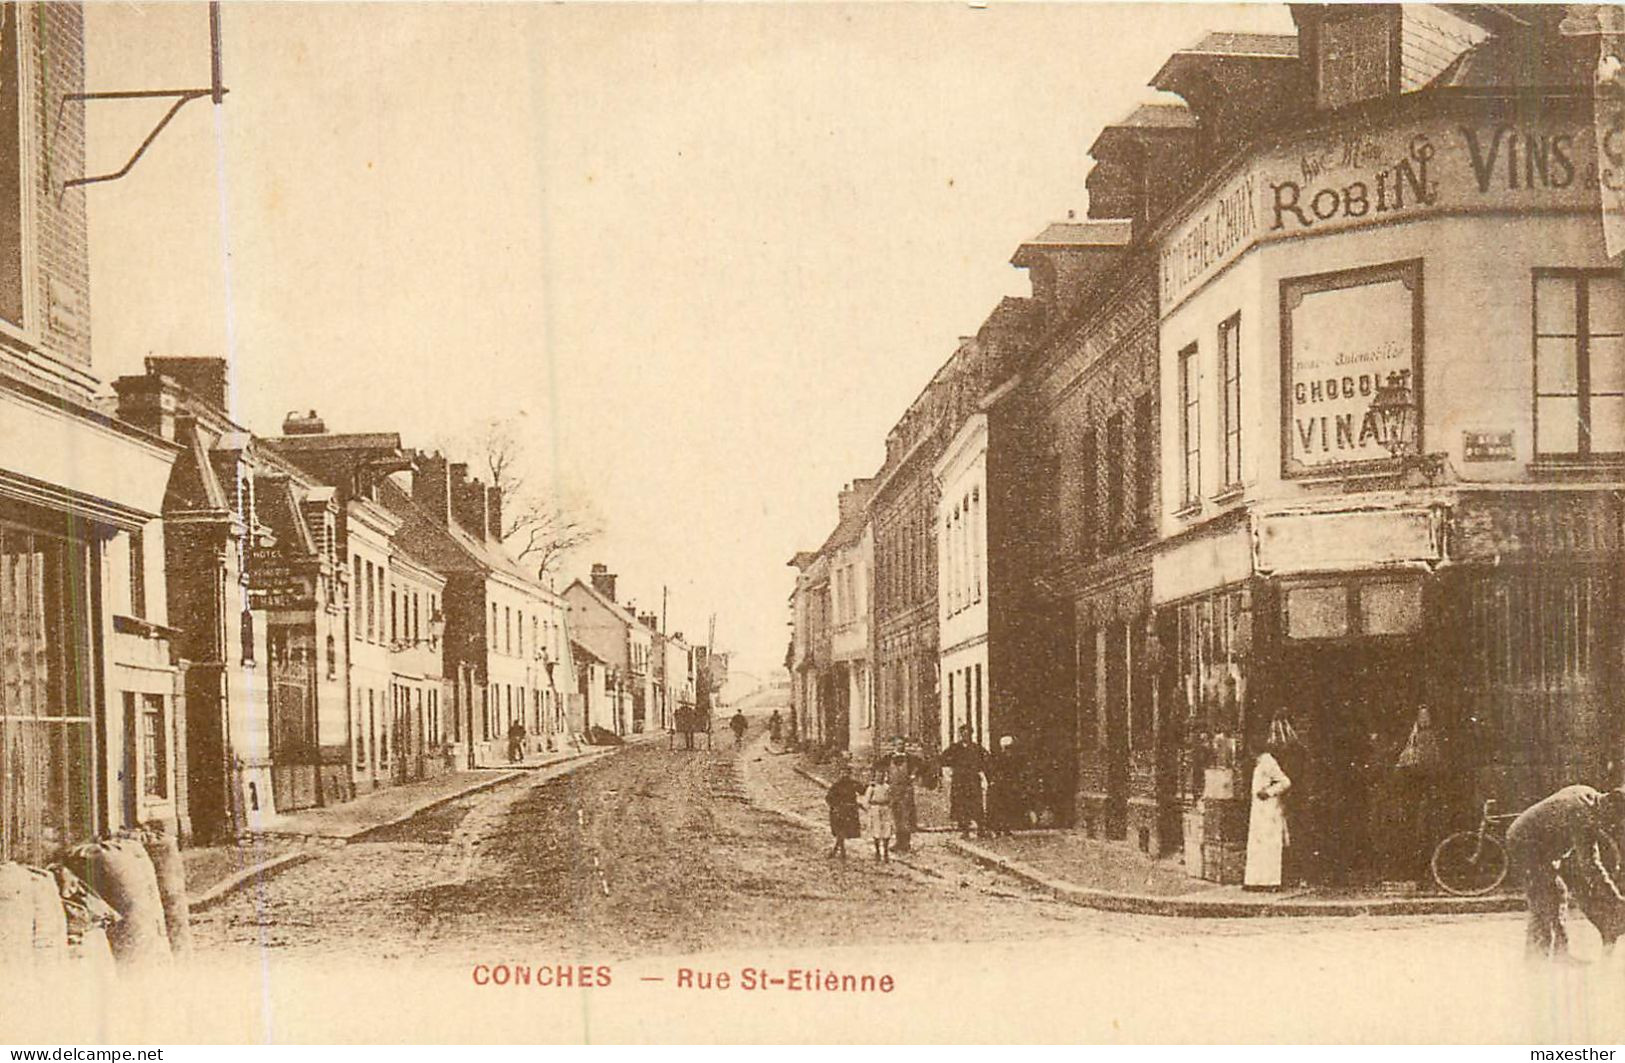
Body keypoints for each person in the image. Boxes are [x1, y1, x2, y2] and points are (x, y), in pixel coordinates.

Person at [1505, 784, 1625, 960]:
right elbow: (1590, 865)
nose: (1610, 824)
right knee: (1545, 900)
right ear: (1610, 808)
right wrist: (1616, 900)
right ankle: (1537, 962)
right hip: (1525, 845)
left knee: (1558, 892)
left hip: (1537, 842)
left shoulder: (1586, 792)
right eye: (1614, 819)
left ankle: (1560, 955)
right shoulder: (1583, 816)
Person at [1244, 742, 1293, 890]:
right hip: (1259, 810)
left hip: (1270, 810)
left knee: (1269, 845)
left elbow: (1285, 782)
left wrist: (1269, 792)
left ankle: (1271, 881)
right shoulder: (1259, 763)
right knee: (1258, 845)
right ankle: (1255, 881)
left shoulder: (1268, 761)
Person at [942, 725, 988, 838]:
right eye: (963, 734)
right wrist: (951, 769)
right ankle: (965, 830)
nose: (965, 736)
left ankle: (981, 828)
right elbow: (943, 758)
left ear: (971, 735)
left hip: (972, 780)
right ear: (960, 735)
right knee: (961, 805)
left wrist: (980, 771)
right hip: (960, 780)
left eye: (967, 734)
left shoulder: (976, 748)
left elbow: (985, 759)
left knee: (976, 804)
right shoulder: (954, 748)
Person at [880, 739, 924, 854]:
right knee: (896, 817)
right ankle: (898, 842)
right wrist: (884, 779)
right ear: (894, 745)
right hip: (893, 790)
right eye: (898, 744)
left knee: (906, 816)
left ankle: (906, 843)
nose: (901, 746)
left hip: (906, 791)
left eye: (902, 744)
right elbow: (878, 768)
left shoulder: (910, 758)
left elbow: (923, 766)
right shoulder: (888, 757)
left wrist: (914, 774)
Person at [987, 735, 1026, 837]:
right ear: (1002, 747)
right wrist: (993, 780)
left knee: (1008, 807)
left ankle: (1006, 827)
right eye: (1007, 747)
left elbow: (1016, 771)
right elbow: (991, 770)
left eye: (1010, 747)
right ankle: (996, 829)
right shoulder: (997, 757)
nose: (1009, 750)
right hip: (999, 786)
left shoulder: (1015, 758)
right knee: (998, 807)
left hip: (1009, 785)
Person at [825, 758, 864, 860]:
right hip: (839, 810)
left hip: (850, 810)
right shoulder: (836, 785)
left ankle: (837, 850)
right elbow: (829, 798)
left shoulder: (853, 784)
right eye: (843, 773)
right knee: (840, 831)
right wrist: (834, 807)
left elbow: (862, 790)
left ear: (849, 774)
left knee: (843, 832)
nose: (844, 775)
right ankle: (841, 851)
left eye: (847, 773)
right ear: (840, 774)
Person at [864, 770, 894, 862]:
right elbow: (866, 800)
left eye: (882, 775)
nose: (880, 777)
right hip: (875, 808)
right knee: (876, 830)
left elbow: (891, 798)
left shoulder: (887, 787)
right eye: (878, 776)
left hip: (885, 808)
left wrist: (889, 806)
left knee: (886, 829)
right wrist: (869, 809)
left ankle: (885, 853)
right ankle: (877, 852)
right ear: (875, 777)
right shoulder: (872, 787)